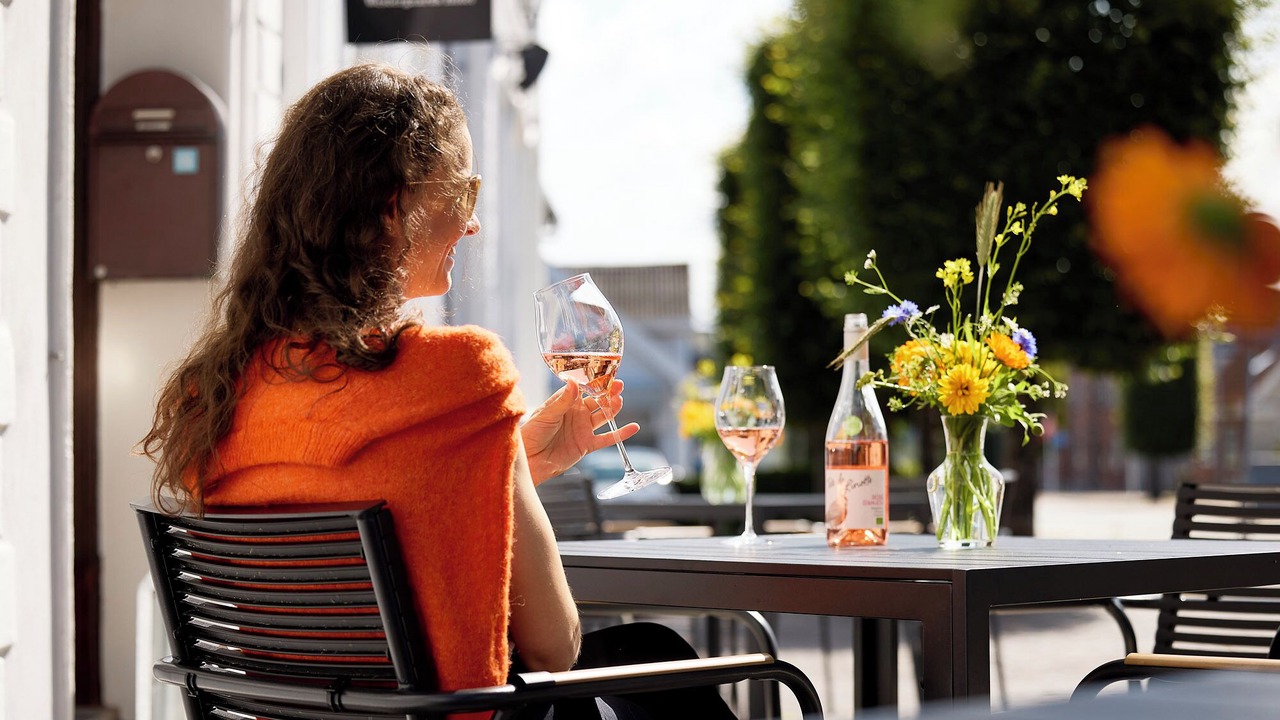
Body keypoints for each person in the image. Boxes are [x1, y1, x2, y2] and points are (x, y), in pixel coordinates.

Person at [141, 63, 735, 720]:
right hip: (461, 712)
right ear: (397, 207)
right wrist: (500, 454)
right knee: (659, 657)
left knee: (646, 648)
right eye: (465, 187)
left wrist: (508, 464)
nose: (473, 223)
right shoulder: (456, 376)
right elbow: (555, 648)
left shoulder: (222, 394)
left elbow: (369, 557)